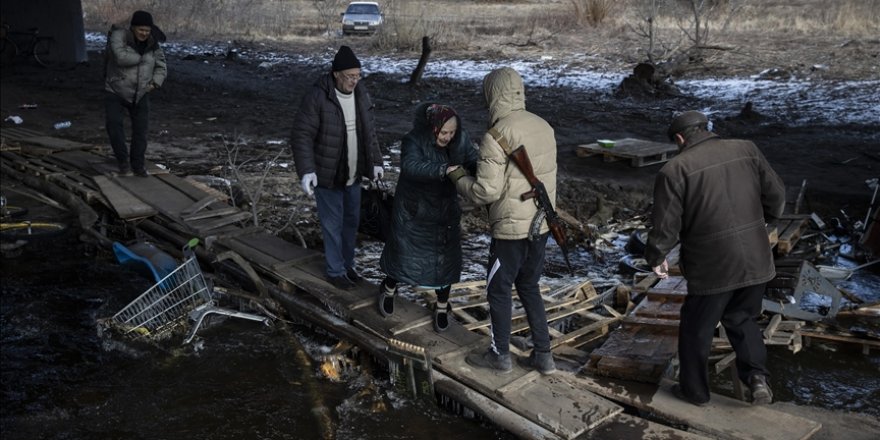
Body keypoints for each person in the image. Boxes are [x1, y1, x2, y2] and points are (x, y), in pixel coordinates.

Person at [644, 110, 786, 406]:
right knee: (742, 318)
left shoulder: (674, 169)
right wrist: (766, 222)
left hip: (713, 265)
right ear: (705, 128)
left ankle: (694, 392)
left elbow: (665, 223)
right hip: (757, 258)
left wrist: (656, 255)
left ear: (680, 138)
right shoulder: (747, 148)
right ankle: (757, 379)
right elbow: (777, 196)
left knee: (697, 327)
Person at [448, 67, 557, 375]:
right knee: (530, 285)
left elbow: (485, 191)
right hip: (542, 225)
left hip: (511, 229)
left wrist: (458, 177)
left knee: (498, 289)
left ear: (492, 95)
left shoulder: (496, 135)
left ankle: (499, 356)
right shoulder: (544, 126)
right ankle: (544, 356)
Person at [377, 103, 479, 333]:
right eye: (444, 132)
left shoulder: (460, 139)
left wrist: (485, 170)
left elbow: (472, 159)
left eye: (452, 132)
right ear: (433, 128)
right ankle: (389, 287)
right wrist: (443, 169)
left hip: (445, 212)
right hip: (415, 210)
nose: (448, 137)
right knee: (404, 255)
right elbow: (411, 166)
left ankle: (442, 306)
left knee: (445, 261)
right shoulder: (413, 140)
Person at [290, 45, 383, 290]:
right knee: (332, 224)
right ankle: (335, 270)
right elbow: (302, 135)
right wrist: (307, 170)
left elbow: (369, 133)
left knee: (351, 223)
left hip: (353, 174)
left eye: (358, 75)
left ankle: (347, 266)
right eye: (350, 76)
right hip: (327, 173)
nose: (355, 80)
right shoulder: (318, 96)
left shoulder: (361, 95)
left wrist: (375, 162)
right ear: (336, 74)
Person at [104, 10, 167, 177]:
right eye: (141, 30)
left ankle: (138, 165)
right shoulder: (119, 36)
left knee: (141, 132)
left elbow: (161, 66)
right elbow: (120, 58)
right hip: (115, 89)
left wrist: (155, 83)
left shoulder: (153, 44)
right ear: (133, 28)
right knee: (114, 126)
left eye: (147, 31)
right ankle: (123, 162)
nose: (144, 34)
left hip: (141, 93)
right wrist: (143, 58)